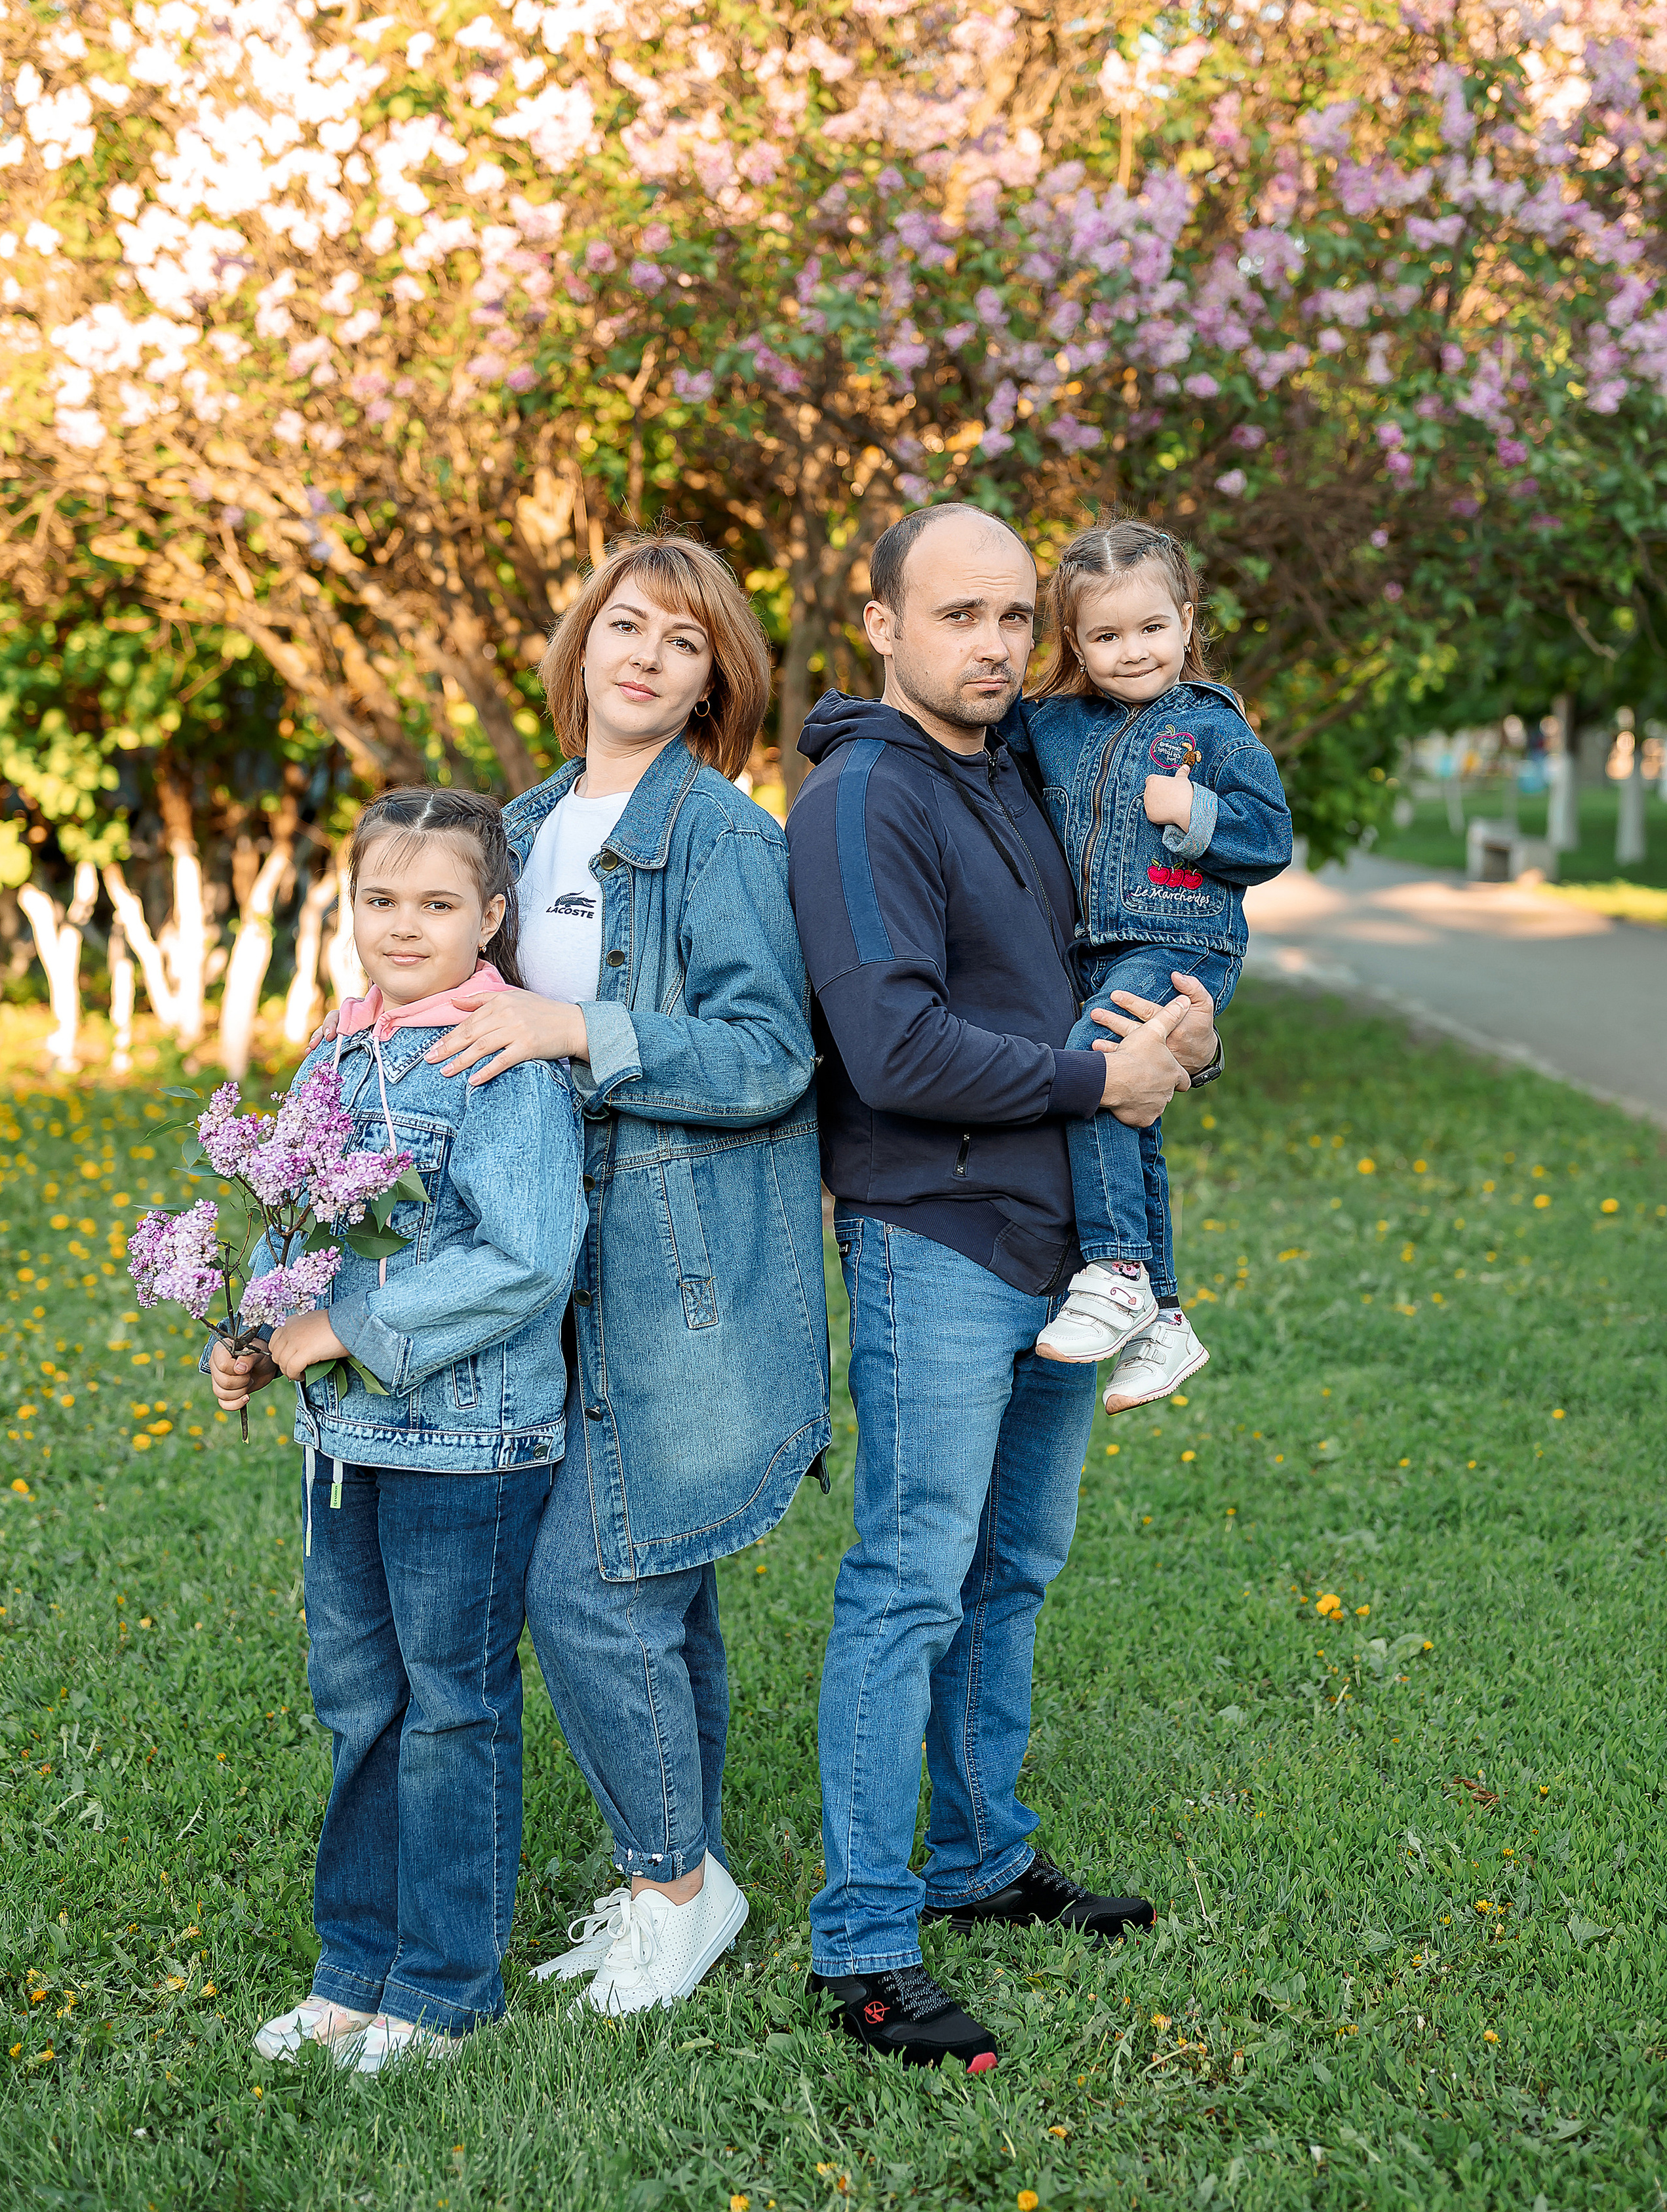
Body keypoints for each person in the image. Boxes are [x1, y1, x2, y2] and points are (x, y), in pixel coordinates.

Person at [786, 501, 1220, 2072]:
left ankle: (975, 1857)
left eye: (1011, 618)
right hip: (936, 1237)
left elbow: (1103, 968)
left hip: (1055, 1246)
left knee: (1010, 1567)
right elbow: (889, 1048)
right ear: (882, 624)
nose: (990, 645)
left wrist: (1179, 1037)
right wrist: (1093, 1088)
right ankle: (863, 1941)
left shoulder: (1016, 773)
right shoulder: (859, 800)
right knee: (907, 1581)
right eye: (956, 615)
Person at [423, 533, 831, 2017]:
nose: (647, 654)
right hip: (544, 1261)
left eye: (685, 640)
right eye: (626, 623)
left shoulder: (719, 836)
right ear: (582, 640)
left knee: (589, 1588)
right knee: (654, 1589)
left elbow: (773, 1055)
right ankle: (686, 1871)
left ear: (716, 678)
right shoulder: (519, 826)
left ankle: (676, 1885)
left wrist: (579, 1033)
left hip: (675, 1269)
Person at [209, 788, 585, 2074]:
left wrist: (343, 1333)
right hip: (345, 1446)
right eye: (381, 900)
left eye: (438, 904)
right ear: (350, 908)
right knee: (362, 1703)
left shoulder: (494, 1056)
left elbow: (528, 1257)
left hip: (467, 1450)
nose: (405, 926)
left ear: (490, 917)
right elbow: (297, 1212)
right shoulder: (335, 1054)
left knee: (450, 1710)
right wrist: (260, 1328)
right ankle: (350, 1971)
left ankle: (441, 1989)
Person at [1014, 516, 1291, 1405]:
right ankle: (1166, 1321)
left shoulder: (1211, 727)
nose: (1131, 652)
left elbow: (1271, 840)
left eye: (1151, 629)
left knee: (1100, 1066)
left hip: (1181, 945)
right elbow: (969, 749)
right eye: (1105, 635)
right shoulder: (1053, 726)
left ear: (1185, 621)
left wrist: (1195, 810)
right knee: (1132, 1116)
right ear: (1075, 641)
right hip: (1097, 947)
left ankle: (1119, 1269)